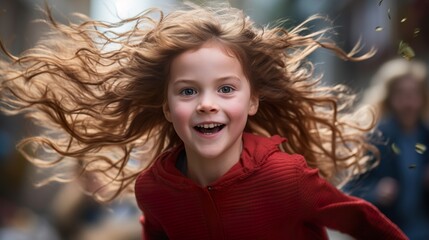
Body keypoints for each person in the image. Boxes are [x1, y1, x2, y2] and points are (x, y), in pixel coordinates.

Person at [0, 3, 407, 239]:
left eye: (226, 89)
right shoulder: (154, 190)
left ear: (252, 102)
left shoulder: (288, 178)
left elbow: (366, 224)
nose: (207, 104)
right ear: (165, 106)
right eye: (188, 91)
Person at [348, 58, 429, 239]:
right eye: (401, 94)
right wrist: (376, 191)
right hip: (388, 232)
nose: (408, 102)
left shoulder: (427, 137)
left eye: (414, 94)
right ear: (389, 97)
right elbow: (349, 190)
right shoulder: (374, 140)